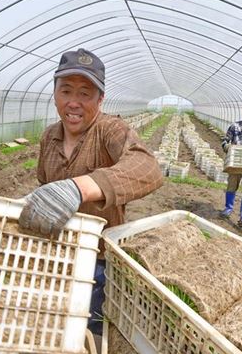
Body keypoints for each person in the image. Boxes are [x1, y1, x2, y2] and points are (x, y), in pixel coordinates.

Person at [18, 48, 163, 335]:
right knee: (56, 324)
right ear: (55, 93)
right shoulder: (49, 136)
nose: (74, 103)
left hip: (98, 258)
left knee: (91, 328)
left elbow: (148, 168)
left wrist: (81, 187)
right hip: (56, 253)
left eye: (85, 93)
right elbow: (44, 183)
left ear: (100, 98)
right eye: (66, 91)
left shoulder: (111, 130)